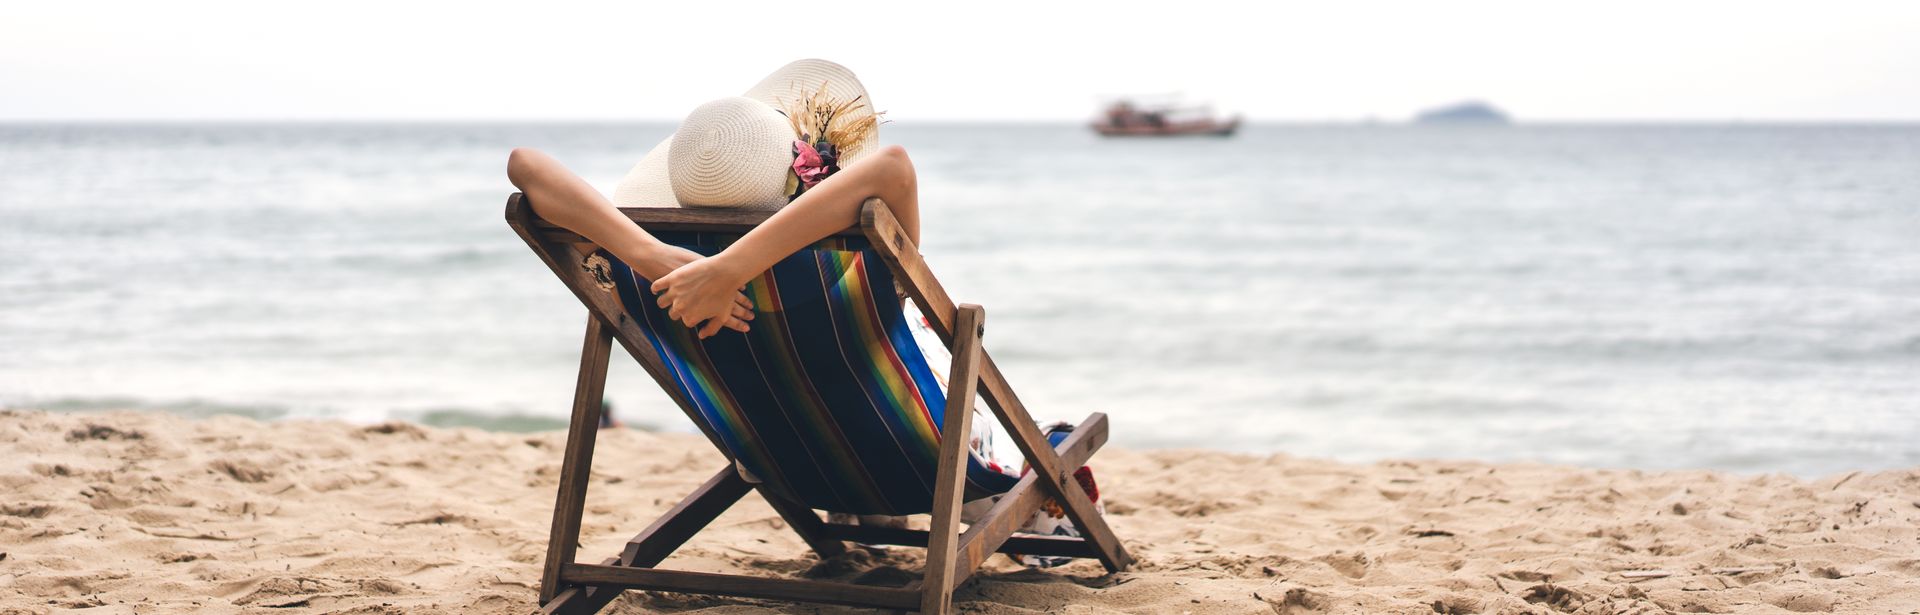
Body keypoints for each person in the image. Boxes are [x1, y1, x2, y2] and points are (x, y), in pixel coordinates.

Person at [507, 60, 1096, 566]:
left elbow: (525, 166)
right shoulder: (859, 270)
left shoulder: (652, 277)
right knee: (1032, 431)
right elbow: (893, 168)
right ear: (803, 177)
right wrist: (726, 271)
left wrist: (657, 256)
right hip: (930, 463)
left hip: (791, 463)